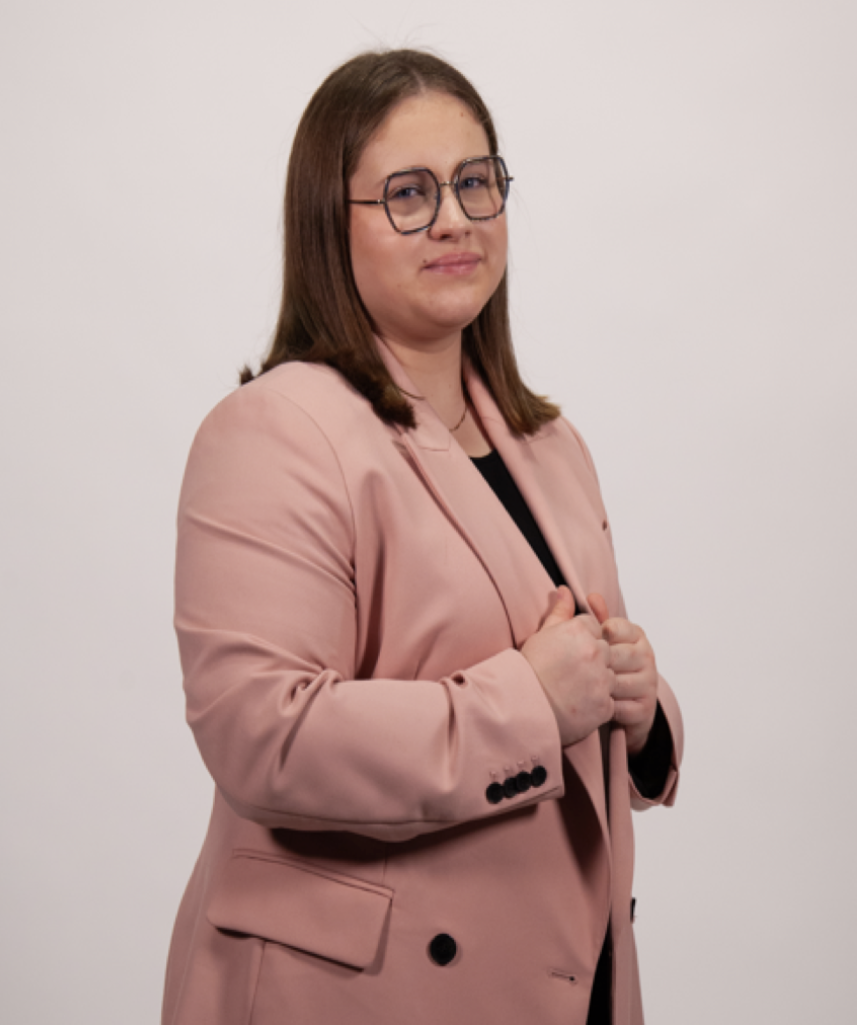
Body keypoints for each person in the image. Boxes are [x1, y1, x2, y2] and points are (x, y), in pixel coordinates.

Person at [162, 48, 683, 1025]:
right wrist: (528, 701)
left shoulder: (548, 442)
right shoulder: (276, 429)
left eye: (475, 182)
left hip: (564, 977)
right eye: (408, 193)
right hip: (356, 994)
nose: (453, 218)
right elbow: (263, 735)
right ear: (330, 223)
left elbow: (573, 703)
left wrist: (638, 704)